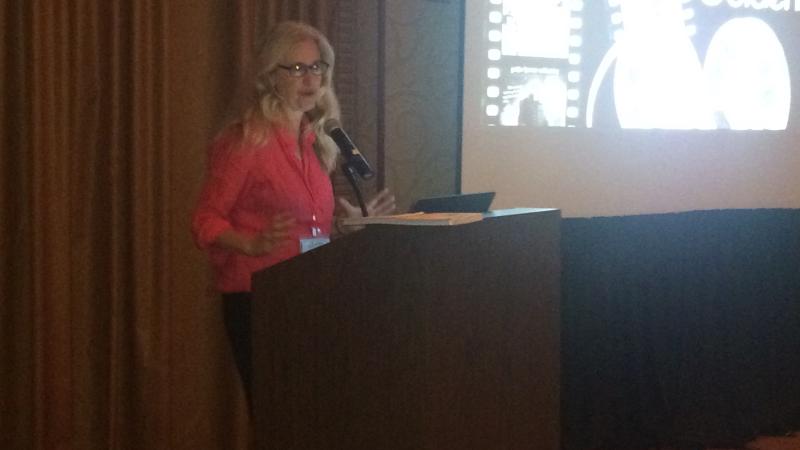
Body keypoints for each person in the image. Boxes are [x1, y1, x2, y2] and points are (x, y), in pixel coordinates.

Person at [191, 21, 395, 401]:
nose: (311, 78)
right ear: (271, 76)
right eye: (297, 68)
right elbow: (204, 220)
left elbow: (308, 229)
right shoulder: (245, 141)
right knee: (277, 418)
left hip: (311, 294)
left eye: (318, 67)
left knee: (311, 418)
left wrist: (345, 225)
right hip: (260, 300)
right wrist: (249, 243)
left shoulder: (317, 143)